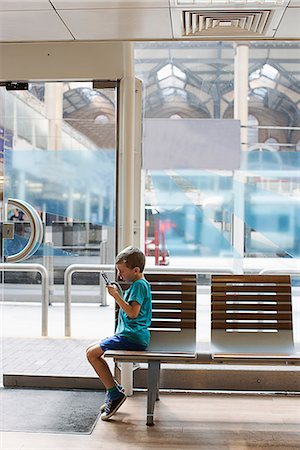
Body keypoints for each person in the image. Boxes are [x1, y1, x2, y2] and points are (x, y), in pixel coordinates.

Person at [86, 246, 152, 421]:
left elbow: (132, 313)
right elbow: (131, 309)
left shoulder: (138, 286)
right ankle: (114, 391)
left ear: (136, 270)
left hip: (132, 337)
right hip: (132, 335)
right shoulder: (139, 285)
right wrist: (120, 293)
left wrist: (116, 297)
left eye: (121, 271)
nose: (120, 276)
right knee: (90, 351)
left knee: (92, 354)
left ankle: (114, 394)